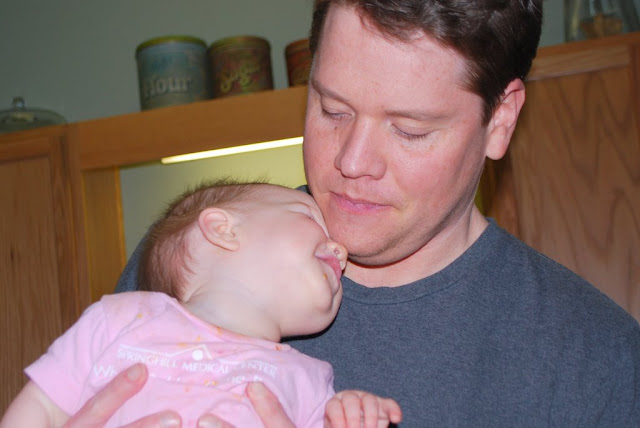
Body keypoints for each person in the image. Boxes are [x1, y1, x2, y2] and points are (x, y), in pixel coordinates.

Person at [63, 0, 640, 426]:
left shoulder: (600, 363)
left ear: (501, 120)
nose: (352, 162)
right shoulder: (201, 256)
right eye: (331, 108)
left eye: (410, 130)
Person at [0, 180, 402, 428]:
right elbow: (41, 407)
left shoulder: (310, 380)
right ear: (222, 229)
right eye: (307, 216)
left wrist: (349, 417)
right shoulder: (119, 319)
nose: (340, 251)